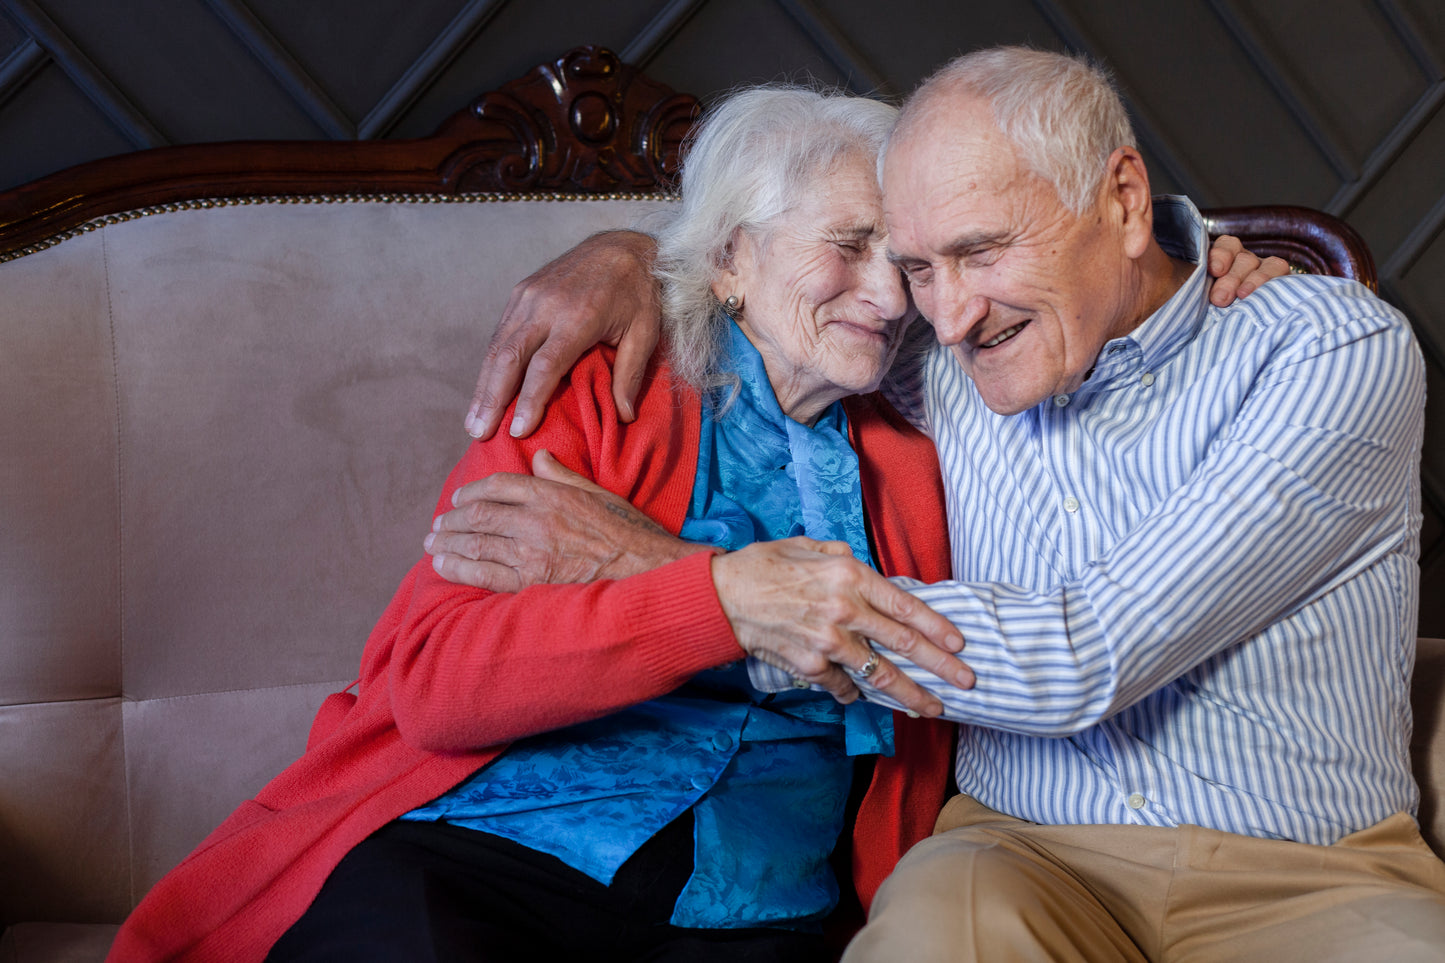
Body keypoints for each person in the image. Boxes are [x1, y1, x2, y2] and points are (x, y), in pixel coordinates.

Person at [429, 48, 1445, 961]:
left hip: (1313, 873)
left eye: (980, 250)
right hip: (1014, 858)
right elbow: (783, 294)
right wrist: (627, 255)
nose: (943, 311)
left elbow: (1084, 657)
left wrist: (679, 576)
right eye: (919, 267)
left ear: (1123, 203)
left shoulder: (1321, 347)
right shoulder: (937, 356)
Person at [108, 85, 984, 963]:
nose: (888, 295)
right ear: (731, 259)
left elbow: (932, 679)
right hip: (497, 846)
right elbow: (436, 684)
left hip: (753, 897)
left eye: (900, 260)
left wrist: (650, 565)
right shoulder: (605, 388)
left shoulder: (919, 459)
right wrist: (715, 599)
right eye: (846, 245)